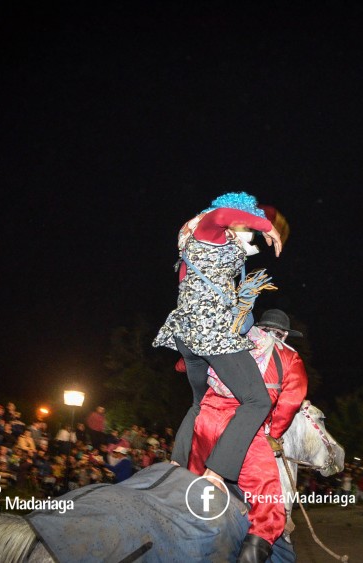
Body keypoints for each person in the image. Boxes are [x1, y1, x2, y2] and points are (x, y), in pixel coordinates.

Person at [153, 192, 283, 494]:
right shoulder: (210, 231)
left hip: (188, 336)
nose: (249, 232)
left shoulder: (191, 240)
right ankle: (216, 472)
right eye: (246, 224)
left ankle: (175, 464)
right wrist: (267, 226)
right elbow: (221, 215)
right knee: (258, 400)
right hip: (212, 335)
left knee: (199, 404)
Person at [186, 309, 308, 563]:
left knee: (193, 488)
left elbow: (187, 363)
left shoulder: (235, 342)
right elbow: (290, 403)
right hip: (245, 428)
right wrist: (273, 433)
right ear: (285, 335)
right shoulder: (290, 357)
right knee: (270, 511)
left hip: (205, 422)